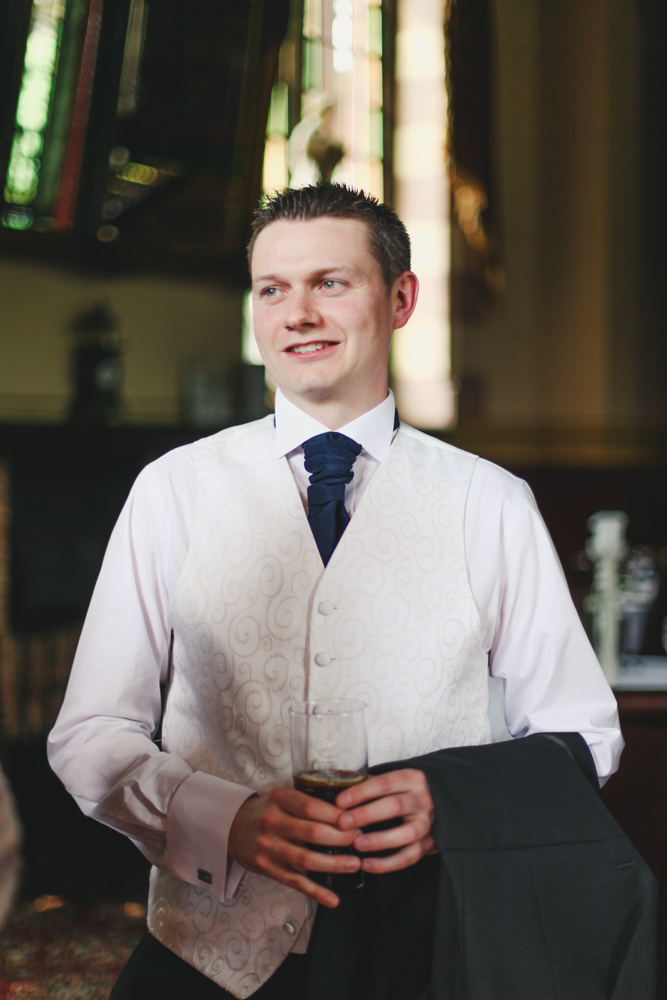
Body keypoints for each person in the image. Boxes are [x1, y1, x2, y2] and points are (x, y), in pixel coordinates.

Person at [48, 184, 622, 999]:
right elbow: (90, 734)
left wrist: (449, 803)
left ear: (399, 298)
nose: (297, 314)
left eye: (331, 283)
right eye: (273, 289)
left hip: (424, 952)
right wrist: (224, 819)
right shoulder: (171, 490)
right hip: (206, 954)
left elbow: (584, 732)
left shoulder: (490, 502)